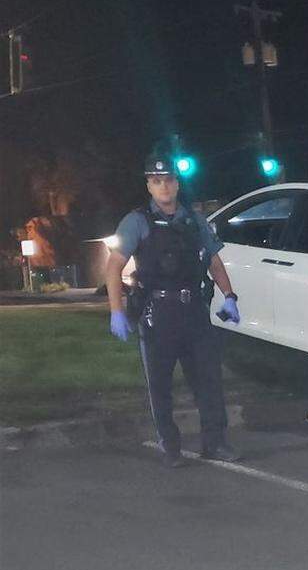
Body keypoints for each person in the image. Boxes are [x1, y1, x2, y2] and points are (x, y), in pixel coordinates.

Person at [105, 155, 242, 468]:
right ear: (149, 186)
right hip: (157, 313)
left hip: (193, 310)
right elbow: (113, 268)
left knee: (208, 381)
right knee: (160, 386)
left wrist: (229, 296)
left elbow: (213, 261)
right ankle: (170, 446)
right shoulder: (137, 221)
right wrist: (116, 311)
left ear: (177, 184)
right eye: (156, 181)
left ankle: (216, 442)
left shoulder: (194, 221)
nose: (163, 186)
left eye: (168, 180)